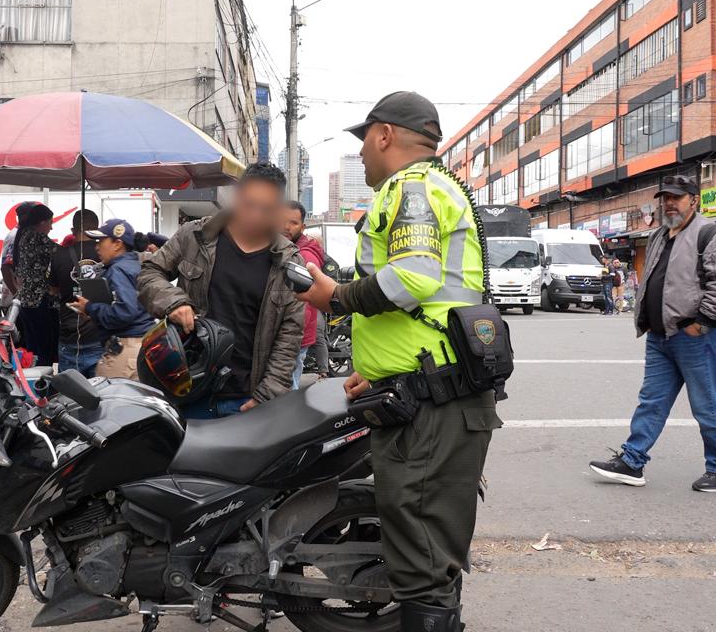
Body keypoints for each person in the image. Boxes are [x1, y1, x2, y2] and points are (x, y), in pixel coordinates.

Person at [294, 91, 498, 632]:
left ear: (384, 135)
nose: (361, 154)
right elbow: (427, 303)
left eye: (364, 141)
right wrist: (383, 368)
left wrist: (333, 297)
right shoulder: (437, 186)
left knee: (422, 555)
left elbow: (413, 278)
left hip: (435, 405)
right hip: (430, 391)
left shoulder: (411, 190)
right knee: (424, 546)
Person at [589, 174, 716, 492]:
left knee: (706, 404)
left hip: (694, 336)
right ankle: (632, 462)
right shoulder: (661, 234)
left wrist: (700, 322)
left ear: (694, 199)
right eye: (665, 197)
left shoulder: (711, 235)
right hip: (660, 336)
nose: (669, 202)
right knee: (651, 401)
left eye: (677, 196)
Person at [138, 162, 305, 418]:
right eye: (249, 204)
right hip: (190, 389)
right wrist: (174, 302)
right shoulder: (194, 236)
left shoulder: (288, 261)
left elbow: (290, 334)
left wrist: (268, 394)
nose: (255, 215)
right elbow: (150, 273)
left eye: (266, 208)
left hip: (247, 400)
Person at [70, 219, 154, 379]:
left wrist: (90, 307)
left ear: (117, 244)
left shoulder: (118, 270)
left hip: (125, 351)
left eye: (101, 241)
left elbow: (125, 312)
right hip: (142, 347)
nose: (97, 246)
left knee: (107, 402)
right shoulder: (135, 265)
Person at [50, 210, 104, 376]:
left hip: (70, 337)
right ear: (96, 229)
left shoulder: (59, 255)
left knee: (69, 398)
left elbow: (53, 290)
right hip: (100, 335)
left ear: (73, 230)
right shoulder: (105, 254)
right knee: (101, 396)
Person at [283, 200, 326, 388]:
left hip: (293, 336)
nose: (286, 227)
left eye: (293, 223)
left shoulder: (304, 256)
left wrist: (291, 337)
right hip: (290, 334)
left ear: (303, 226)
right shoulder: (285, 248)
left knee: (287, 387)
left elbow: (306, 304)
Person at [13, 204, 58, 366]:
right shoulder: (35, 236)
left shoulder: (23, 234)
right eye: (50, 223)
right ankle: (42, 382)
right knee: (44, 346)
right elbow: (61, 253)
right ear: (42, 222)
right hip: (37, 299)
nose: (51, 227)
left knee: (33, 346)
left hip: (26, 299)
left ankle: (32, 379)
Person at [0, 200, 38, 295]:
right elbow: (5, 267)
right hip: (16, 300)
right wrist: (16, 294)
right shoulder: (15, 236)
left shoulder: (25, 234)